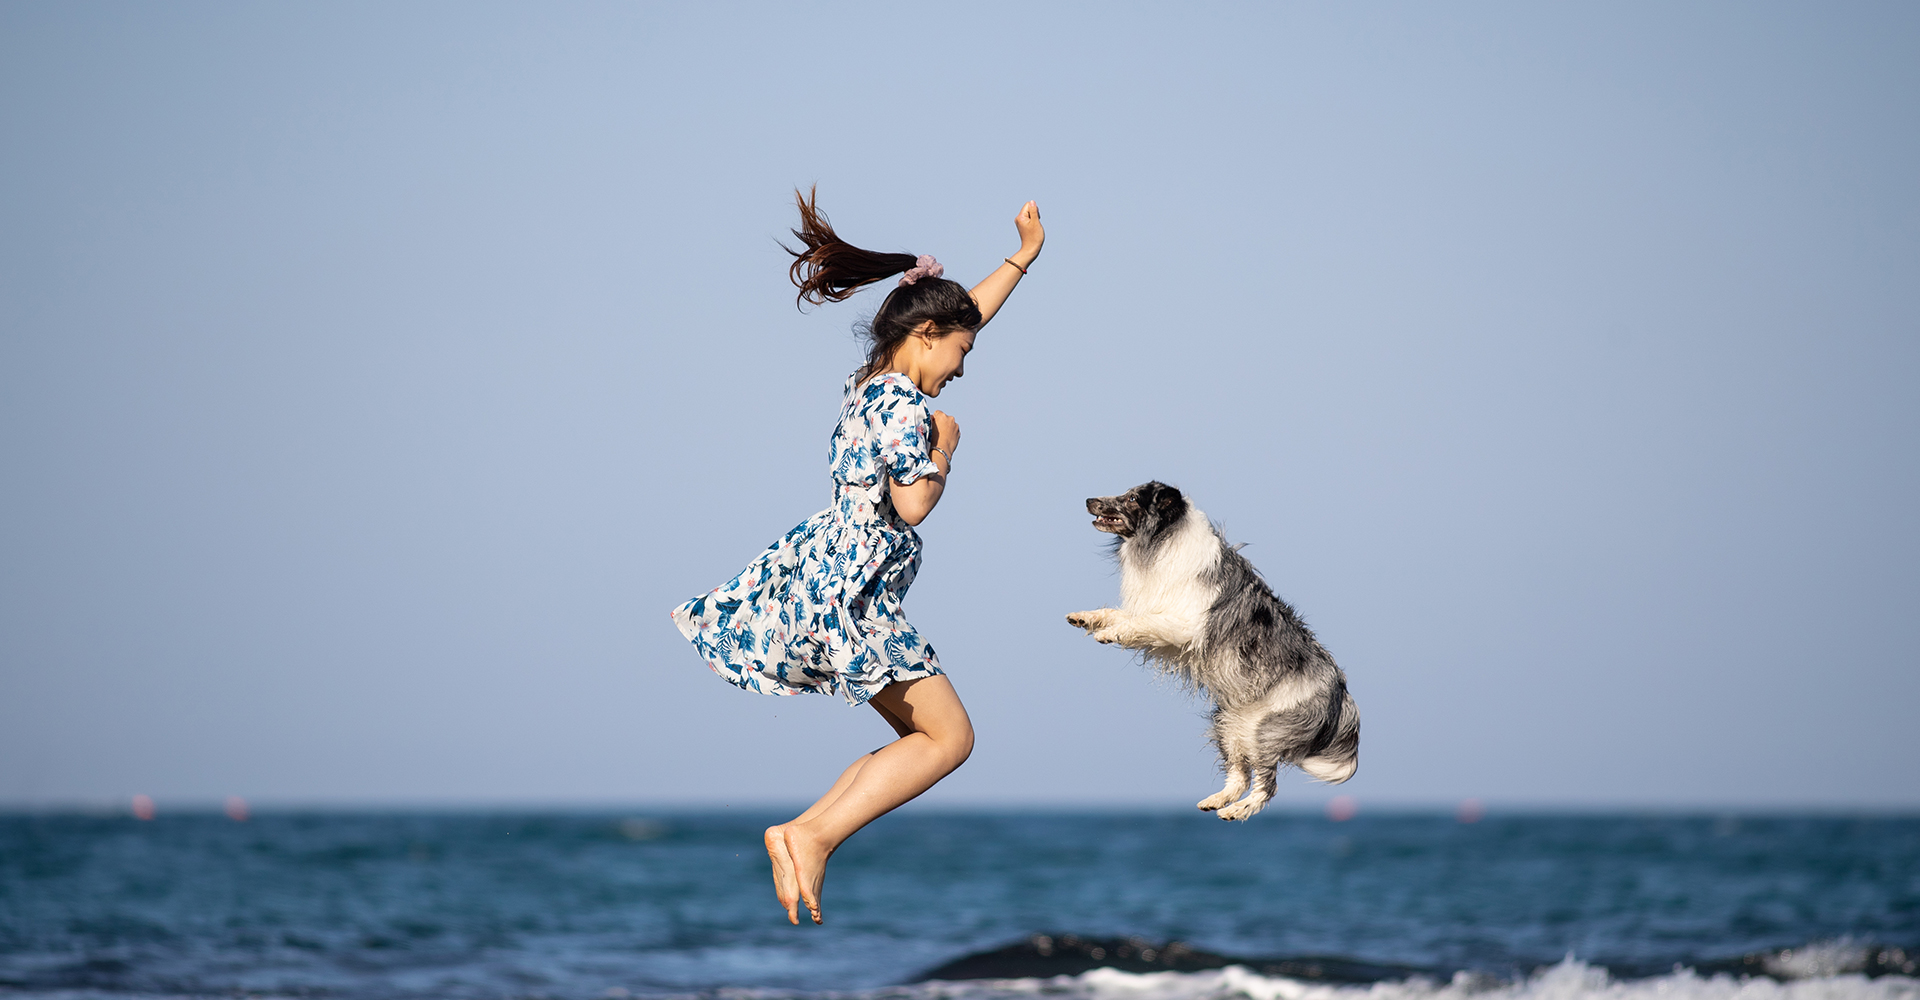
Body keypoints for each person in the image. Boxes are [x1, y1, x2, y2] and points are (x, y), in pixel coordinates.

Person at [670, 189, 1044, 925]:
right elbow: (912, 504)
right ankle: (812, 833)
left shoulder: (871, 383)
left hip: (826, 574)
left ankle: (805, 833)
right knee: (950, 739)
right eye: (961, 354)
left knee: (923, 738)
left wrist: (1022, 259)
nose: (963, 370)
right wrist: (947, 445)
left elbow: (964, 314)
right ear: (929, 334)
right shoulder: (909, 408)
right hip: (856, 594)